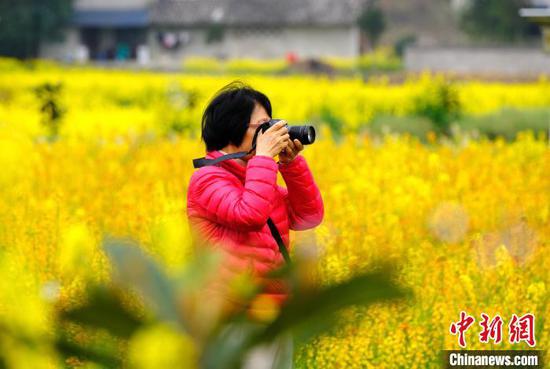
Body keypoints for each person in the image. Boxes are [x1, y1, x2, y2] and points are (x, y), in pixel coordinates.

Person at [186, 81, 324, 368]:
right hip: (234, 319)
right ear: (233, 128)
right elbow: (249, 213)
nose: (272, 134)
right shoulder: (207, 179)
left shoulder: (258, 178)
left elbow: (309, 216)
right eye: (262, 126)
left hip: (273, 313)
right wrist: (263, 158)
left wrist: (290, 164)